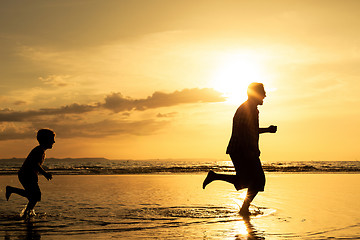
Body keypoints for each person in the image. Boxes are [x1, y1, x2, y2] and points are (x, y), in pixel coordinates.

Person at [203, 82, 277, 217]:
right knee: (256, 180)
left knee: (250, 180)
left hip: (241, 150)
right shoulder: (248, 109)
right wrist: (251, 151)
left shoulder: (251, 108)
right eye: (263, 92)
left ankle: (216, 178)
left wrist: (267, 130)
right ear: (256, 94)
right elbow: (245, 133)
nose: (265, 95)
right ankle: (243, 208)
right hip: (241, 150)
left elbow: (251, 130)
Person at [6, 129, 55, 218]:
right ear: (46, 140)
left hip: (28, 175)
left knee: (34, 196)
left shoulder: (41, 150)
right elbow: (35, 164)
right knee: (35, 196)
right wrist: (45, 174)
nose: (54, 142)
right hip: (26, 174)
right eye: (52, 139)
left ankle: (27, 214)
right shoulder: (39, 151)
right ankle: (25, 212)